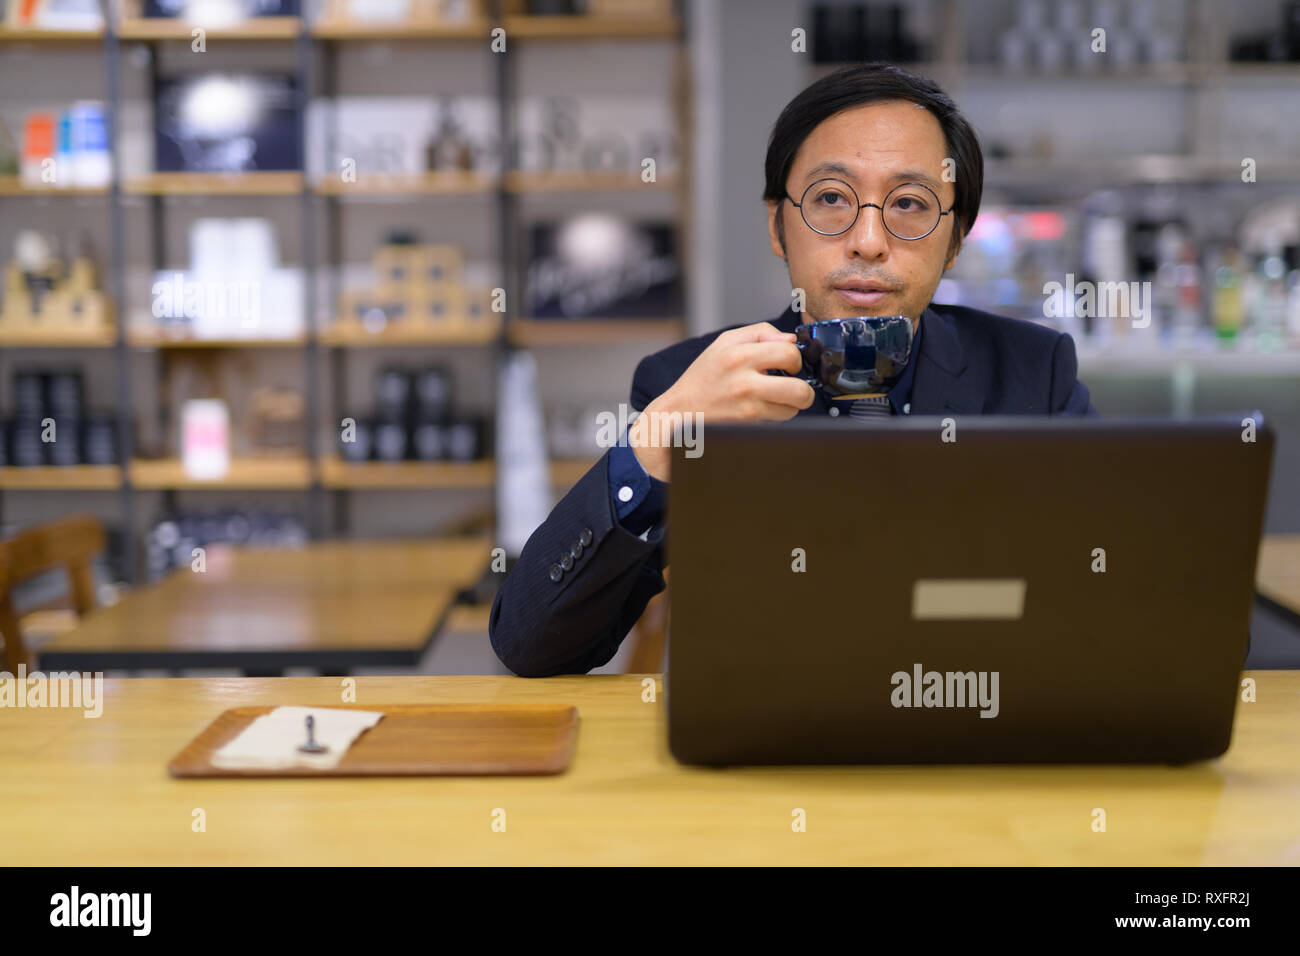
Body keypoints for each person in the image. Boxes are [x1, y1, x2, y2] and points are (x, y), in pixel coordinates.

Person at [490, 62, 1097, 677]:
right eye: (832, 198)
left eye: (910, 203)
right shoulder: (690, 384)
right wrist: (657, 434)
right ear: (778, 225)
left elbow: (1102, 595)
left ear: (956, 239)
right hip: (766, 746)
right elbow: (533, 645)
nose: (867, 240)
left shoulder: (1032, 374)